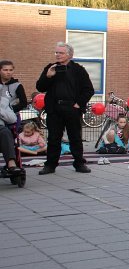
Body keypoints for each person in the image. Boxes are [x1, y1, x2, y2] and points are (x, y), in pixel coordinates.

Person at [35, 42, 94, 174]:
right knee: (53, 138)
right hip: (54, 109)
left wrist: (79, 104)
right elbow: (40, 87)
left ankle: (79, 163)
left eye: (60, 53)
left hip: (72, 108)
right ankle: (50, 165)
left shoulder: (78, 69)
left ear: (69, 55)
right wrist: (48, 76)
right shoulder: (50, 68)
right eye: (56, 52)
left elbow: (88, 90)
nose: (57, 55)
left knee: (75, 138)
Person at [0, 60, 27, 176]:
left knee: (7, 132)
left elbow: (23, 103)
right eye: (5, 70)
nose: (8, 72)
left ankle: (11, 164)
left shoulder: (17, 85)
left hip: (10, 115)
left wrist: (9, 110)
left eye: (11, 70)